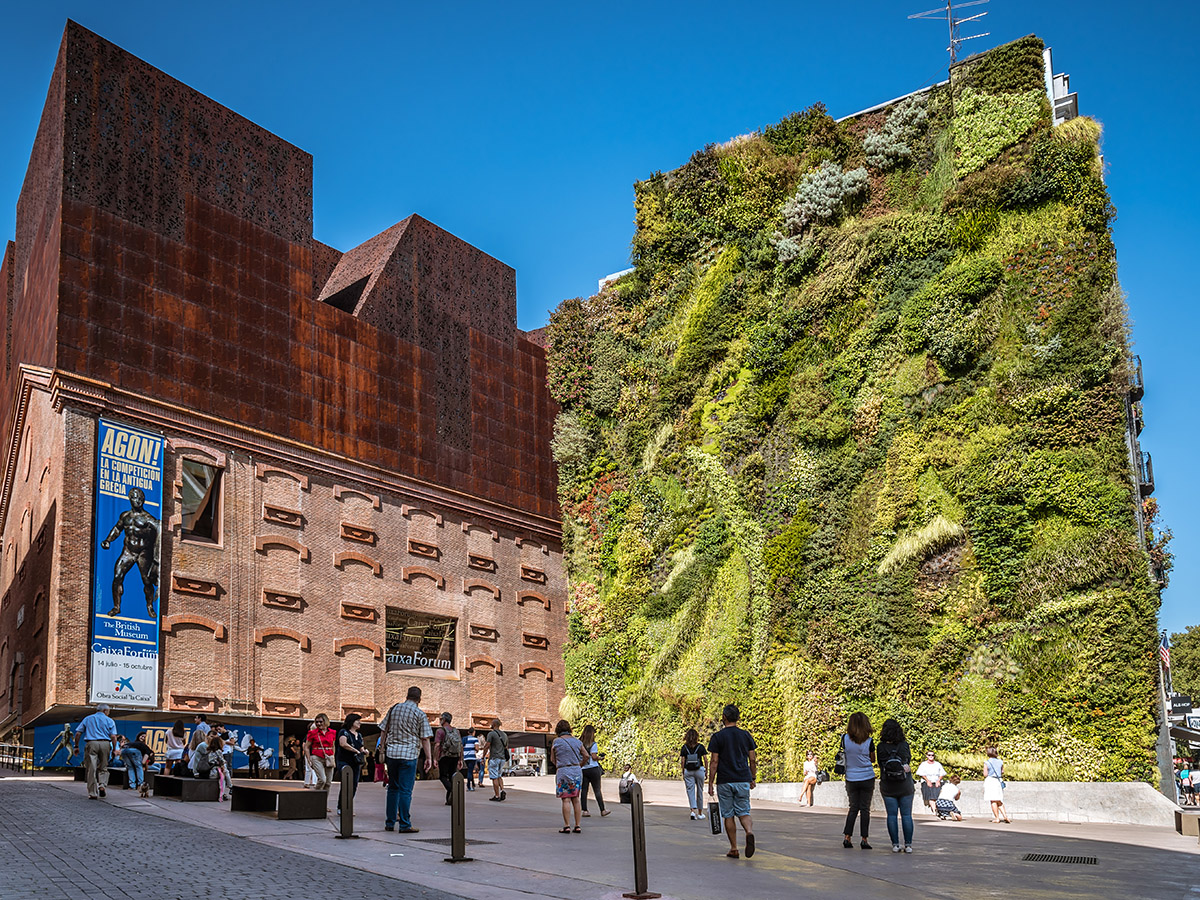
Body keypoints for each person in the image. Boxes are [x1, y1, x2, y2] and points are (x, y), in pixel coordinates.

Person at [379, 686, 434, 832]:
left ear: (407, 695)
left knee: (392, 788)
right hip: (409, 755)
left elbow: (383, 730)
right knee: (405, 791)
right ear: (419, 699)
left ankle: (390, 822)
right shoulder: (419, 714)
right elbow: (425, 738)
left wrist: (382, 748)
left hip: (392, 754)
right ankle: (404, 824)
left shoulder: (394, 709)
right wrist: (429, 757)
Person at [99, 485, 160, 618]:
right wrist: (108, 540)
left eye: (140, 499)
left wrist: (156, 558)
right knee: (117, 576)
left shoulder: (147, 518)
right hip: (128, 551)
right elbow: (117, 529)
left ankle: (149, 606)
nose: (138, 501)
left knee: (147, 581)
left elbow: (160, 530)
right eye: (135, 498)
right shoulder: (125, 516)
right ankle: (116, 607)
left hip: (143, 553)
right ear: (130, 499)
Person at [707, 703, 758, 860]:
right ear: (738, 718)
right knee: (744, 811)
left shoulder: (718, 737)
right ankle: (749, 832)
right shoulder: (745, 735)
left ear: (724, 717)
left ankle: (734, 848)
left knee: (728, 815)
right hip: (743, 779)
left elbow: (714, 761)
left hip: (725, 781)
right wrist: (752, 777)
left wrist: (710, 782)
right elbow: (753, 759)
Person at [877, 718, 915, 853]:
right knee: (906, 815)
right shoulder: (904, 745)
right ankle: (908, 845)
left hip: (888, 784)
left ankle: (895, 844)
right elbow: (907, 761)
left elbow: (880, 764)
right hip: (905, 784)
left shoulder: (880, 747)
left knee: (891, 815)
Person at [841, 712, 876, 850]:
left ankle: (847, 837)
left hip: (851, 777)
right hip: (867, 776)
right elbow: (873, 759)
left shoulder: (844, 739)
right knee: (865, 809)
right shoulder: (869, 741)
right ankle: (864, 839)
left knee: (853, 808)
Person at [549, 720, 589, 833]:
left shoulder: (556, 742)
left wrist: (560, 766)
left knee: (565, 799)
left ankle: (567, 826)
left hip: (563, 771)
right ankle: (577, 825)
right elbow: (586, 755)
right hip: (576, 770)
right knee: (576, 799)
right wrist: (579, 765)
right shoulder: (577, 742)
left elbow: (552, 759)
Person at [74, 703, 119, 800]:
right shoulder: (110, 720)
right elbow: (113, 736)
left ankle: (92, 793)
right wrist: (114, 749)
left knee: (91, 769)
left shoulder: (88, 719)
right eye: (108, 712)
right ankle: (102, 785)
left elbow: (78, 733)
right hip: (105, 743)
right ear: (105, 711)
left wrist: (76, 746)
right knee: (103, 767)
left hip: (91, 743)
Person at [336, 713, 367, 814]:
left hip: (355, 763)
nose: (359, 723)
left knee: (353, 785)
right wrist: (356, 751)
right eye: (357, 721)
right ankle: (341, 807)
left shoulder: (359, 735)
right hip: (344, 761)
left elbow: (361, 747)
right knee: (346, 784)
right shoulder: (344, 732)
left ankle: (348, 806)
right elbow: (343, 744)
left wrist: (364, 751)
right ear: (351, 721)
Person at [433, 712, 463, 805]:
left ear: (444, 720)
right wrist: (460, 759)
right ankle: (449, 800)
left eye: (441, 718)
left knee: (442, 776)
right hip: (455, 756)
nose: (440, 720)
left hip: (444, 756)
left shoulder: (440, 731)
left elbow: (437, 745)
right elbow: (460, 746)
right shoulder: (456, 731)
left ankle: (452, 790)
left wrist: (435, 758)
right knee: (451, 776)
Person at [579, 724, 609, 817]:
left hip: (583, 768)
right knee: (597, 790)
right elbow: (594, 757)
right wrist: (600, 758)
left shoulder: (579, 743)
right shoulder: (593, 744)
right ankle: (602, 810)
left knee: (584, 790)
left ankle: (585, 810)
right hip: (593, 768)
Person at [680, 728, 707, 819]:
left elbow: (682, 761)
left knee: (690, 790)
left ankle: (692, 811)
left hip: (688, 770)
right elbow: (705, 759)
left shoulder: (684, 747)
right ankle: (700, 813)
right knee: (700, 791)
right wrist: (706, 770)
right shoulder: (701, 747)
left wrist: (683, 772)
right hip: (699, 770)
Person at [306, 714, 336, 790]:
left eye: (320, 722)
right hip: (316, 757)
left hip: (329, 757)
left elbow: (333, 745)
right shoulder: (312, 733)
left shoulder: (332, 732)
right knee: (322, 780)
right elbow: (306, 747)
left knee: (328, 783)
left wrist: (333, 757)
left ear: (326, 721)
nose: (318, 724)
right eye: (317, 722)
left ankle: (323, 801)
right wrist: (309, 760)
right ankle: (316, 796)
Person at [483, 718, 509, 802]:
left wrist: (483, 756)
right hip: (502, 758)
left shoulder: (491, 734)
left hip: (494, 758)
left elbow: (487, 745)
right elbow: (506, 747)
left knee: (494, 777)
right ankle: (502, 791)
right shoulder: (504, 735)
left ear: (494, 724)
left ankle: (497, 795)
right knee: (499, 776)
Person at [984, 747, 1011, 823]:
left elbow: (985, 774)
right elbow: (1002, 772)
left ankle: (997, 818)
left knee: (993, 800)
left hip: (990, 781)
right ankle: (1005, 816)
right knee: (999, 800)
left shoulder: (987, 762)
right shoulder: (1000, 762)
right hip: (998, 781)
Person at [461, 727, 480, 791]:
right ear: (473, 732)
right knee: (470, 771)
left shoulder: (464, 739)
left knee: (470, 770)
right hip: (472, 757)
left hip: (466, 757)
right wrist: (474, 749)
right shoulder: (475, 739)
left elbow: (461, 747)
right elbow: (477, 749)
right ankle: (469, 785)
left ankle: (473, 784)